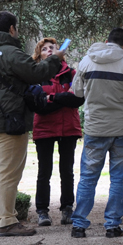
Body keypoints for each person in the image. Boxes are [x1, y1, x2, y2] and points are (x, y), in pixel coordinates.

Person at [0, 12, 64, 236]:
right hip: (9, 121)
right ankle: (7, 221)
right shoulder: (11, 52)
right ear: (11, 29)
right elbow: (36, 72)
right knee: (8, 173)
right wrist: (55, 58)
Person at [70, 27, 123, 238]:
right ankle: (112, 225)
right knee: (118, 178)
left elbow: (77, 91)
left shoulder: (86, 62)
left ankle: (79, 224)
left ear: (106, 41)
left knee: (88, 176)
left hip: (95, 126)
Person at [31, 37, 83, 226]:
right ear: (40, 55)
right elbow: (38, 105)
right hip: (44, 129)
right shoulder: (35, 75)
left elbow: (78, 98)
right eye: (45, 49)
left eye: (53, 47)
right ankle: (42, 211)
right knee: (44, 171)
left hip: (68, 128)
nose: (50, 50)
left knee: (66, 171)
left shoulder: (72, 73)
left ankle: (67, 208)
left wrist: (51, 97)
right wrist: (63, 99)